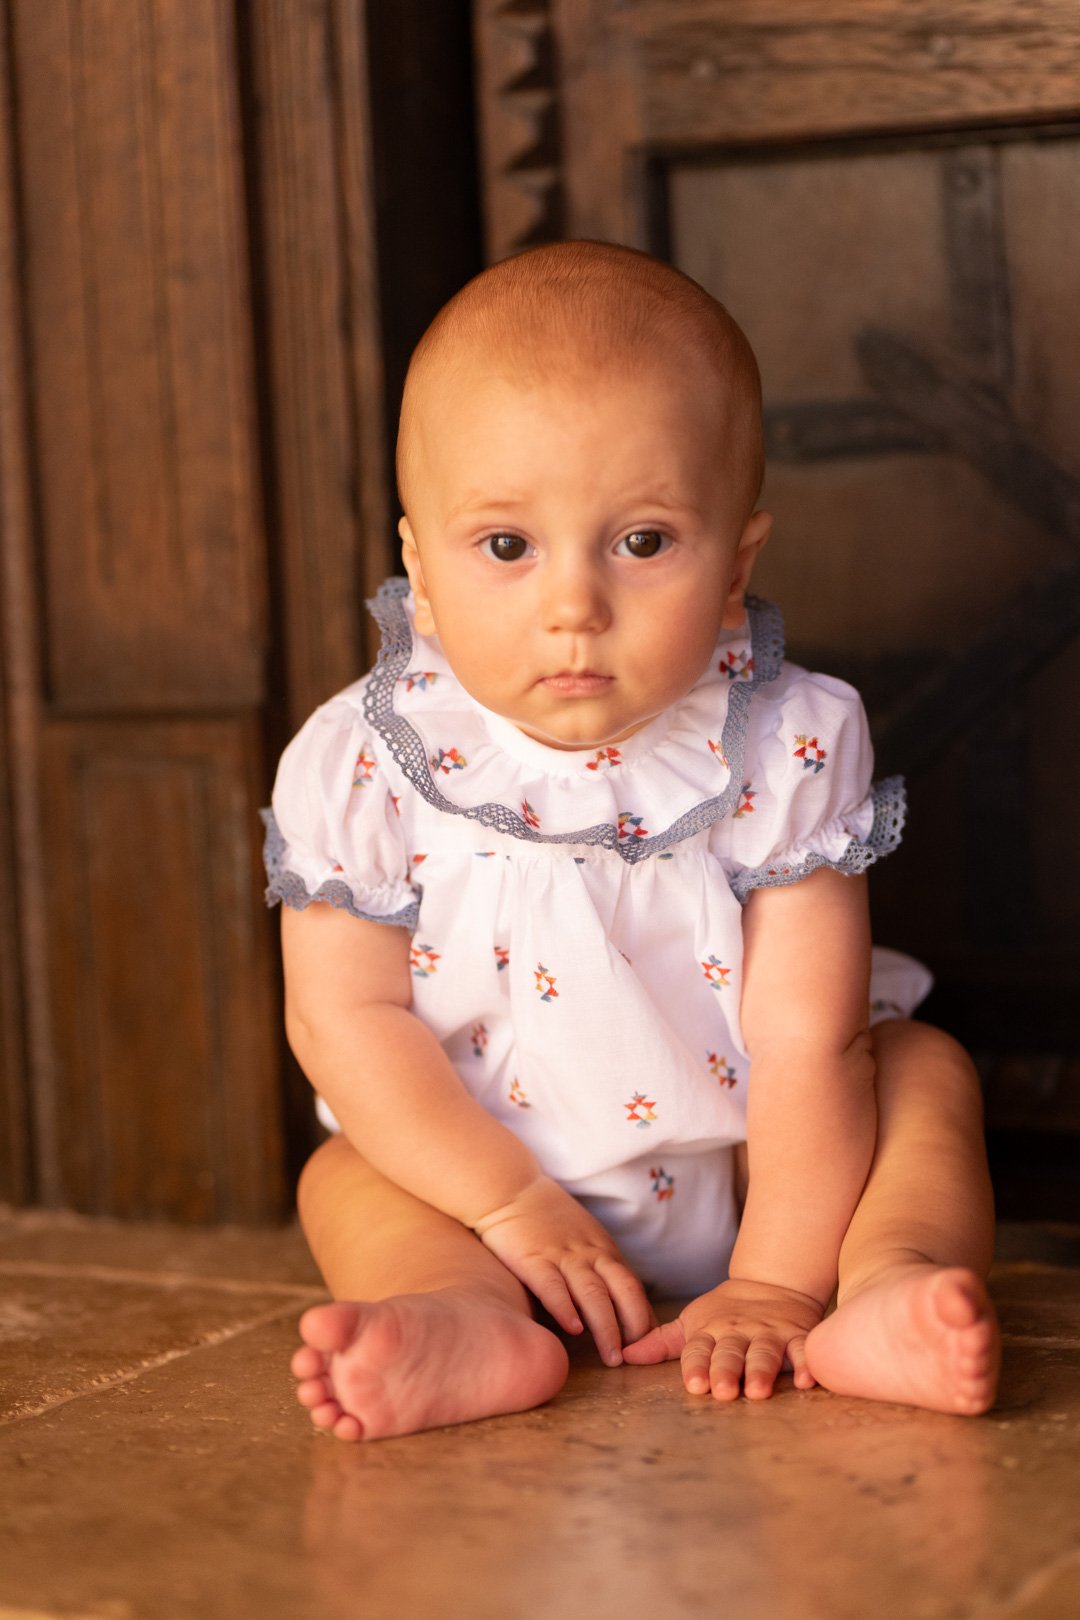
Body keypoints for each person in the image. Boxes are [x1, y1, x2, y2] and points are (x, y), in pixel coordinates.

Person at [267, 241, 1000, 1443]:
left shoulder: (785, 741)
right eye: (507, 547)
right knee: (345, 1174)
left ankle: (883, 1283)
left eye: (643, 542)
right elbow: (342, 1021)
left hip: (769, 1173)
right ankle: (463, 1312)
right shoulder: (363, 759)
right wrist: (507, 1204)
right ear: (420, 572)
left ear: (737, 565)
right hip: (484, 1179)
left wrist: (777, 1281)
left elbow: (809, 1039)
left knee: (922, 1075)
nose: (575, 607)